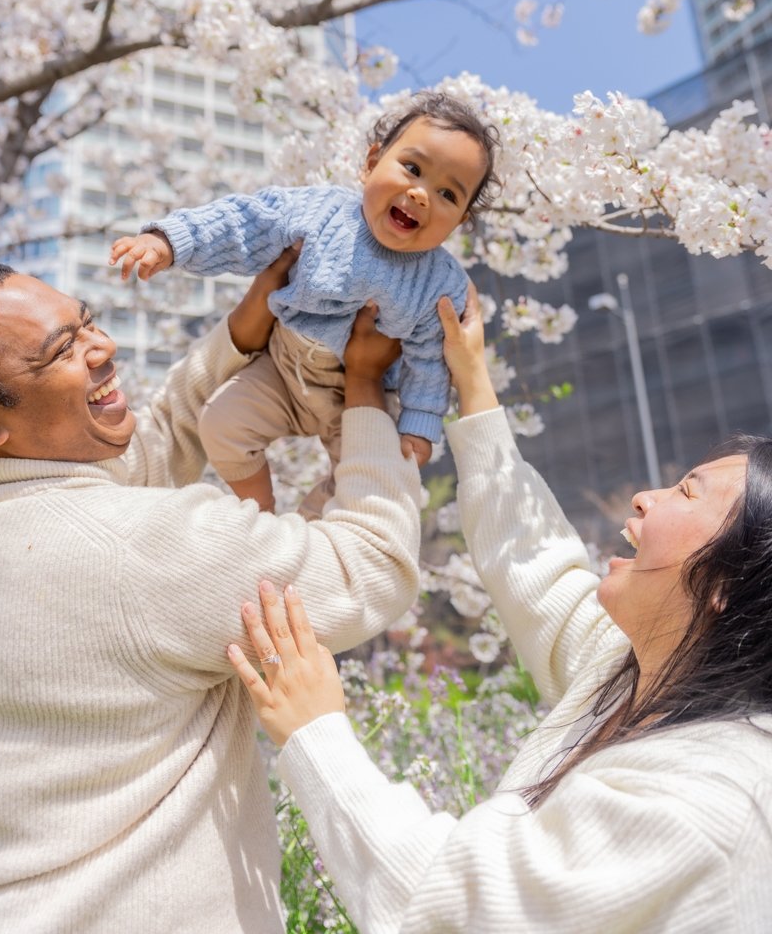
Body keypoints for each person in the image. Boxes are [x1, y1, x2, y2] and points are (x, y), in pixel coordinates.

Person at [228, 286, 772, 933]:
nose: (646, 497)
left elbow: (457, 906)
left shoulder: (708, 800)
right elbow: (535, 565)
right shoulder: (639, 673)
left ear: (728, 582)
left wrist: (317, 734)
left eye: (687, 491)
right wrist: (472, 378)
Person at [0, 257, 422, 933]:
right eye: (63, 350)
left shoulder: (12, 517)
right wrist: (364, 394)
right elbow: (371, 566)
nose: (103, 347)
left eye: (88, 322)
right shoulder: (136, 548)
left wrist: (238, 334)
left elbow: (143, 455)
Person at [109, 91, 501, 515]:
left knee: (372, 482)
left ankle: (309, 526)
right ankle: (260, 512)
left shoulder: (438, 283)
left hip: (357, 397)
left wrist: (420, 422)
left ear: (459, 221)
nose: (421, 194)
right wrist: (171, 241)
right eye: (413, 168)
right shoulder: (321, 211)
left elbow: (429, 358)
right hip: (282, 367)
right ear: (371, 163)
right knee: (219, 423)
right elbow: (247, 223)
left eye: (447, 194)